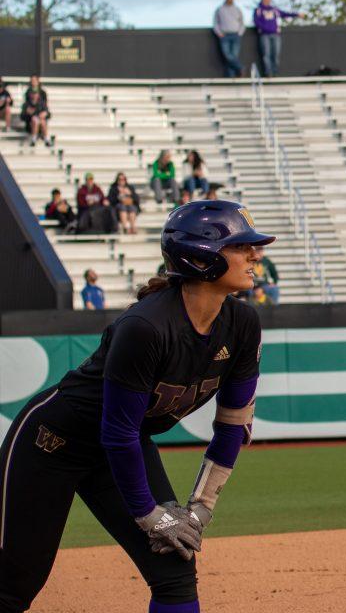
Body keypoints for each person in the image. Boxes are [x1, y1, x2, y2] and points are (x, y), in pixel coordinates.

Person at [0, 200, 271, 613]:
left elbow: (234, 423)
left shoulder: (243, 324)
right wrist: (149, 515)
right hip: (52, 444)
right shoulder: (145, 327)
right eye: (241, 247)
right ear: (201, 258)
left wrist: (200, 508)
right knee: (14, 584)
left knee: (175, 569)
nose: (256, 254)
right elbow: (118, 432)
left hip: (120, 451)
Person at [252, 0, 302, 77]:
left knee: (275, 54)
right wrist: (265, 28)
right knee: (266, 54)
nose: (268, 0)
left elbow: (285, 14)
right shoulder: (258, 10)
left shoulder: (274, 9)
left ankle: (275, 73)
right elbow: (256, 22)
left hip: (275, 34)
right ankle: (268, 73)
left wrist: (297, 14)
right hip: (264, 35)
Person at [212, 0, 245, 77]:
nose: (231, 0)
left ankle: (231, 76)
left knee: (234, 55)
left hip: (235, 35)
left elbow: (242, 22)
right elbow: (215, 23)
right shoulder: (220, 9)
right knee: (227, 55)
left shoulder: (237, 9)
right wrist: (219, 33)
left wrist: (240, 32)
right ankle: (240, 67)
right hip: (224, 35)